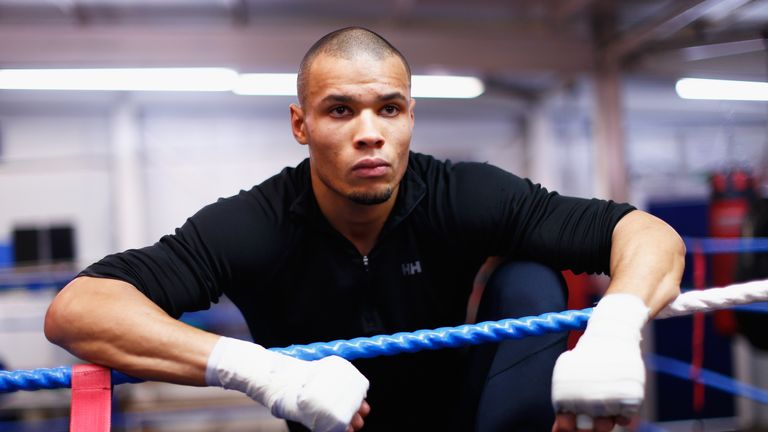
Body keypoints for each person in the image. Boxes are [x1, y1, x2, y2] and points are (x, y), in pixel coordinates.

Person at [44, 27, 685, 432]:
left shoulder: (463, 194)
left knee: (531, 277)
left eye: (390, 108)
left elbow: (646, 233)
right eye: (341, 110)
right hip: (331, 425)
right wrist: (264, 374)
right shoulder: (256, 224)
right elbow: (79, 309)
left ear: (411, 117)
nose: (370, 131)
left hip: (465, 419)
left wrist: (615, 326)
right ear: (301, 125)